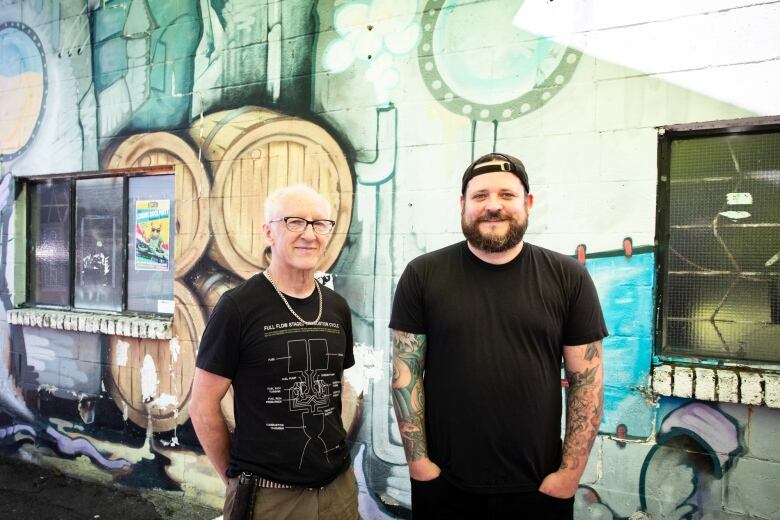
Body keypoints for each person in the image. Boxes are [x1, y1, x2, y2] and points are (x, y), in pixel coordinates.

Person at [389, 153, 607, 519]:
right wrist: (420, 466)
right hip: (444, 486)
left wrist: (568, 476)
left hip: (539, 487)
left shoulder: (569, 277)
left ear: (528, 203)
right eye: (479, 196)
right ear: (463, 205)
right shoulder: (422, 275)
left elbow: (587, 383)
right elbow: (405, 375)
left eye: (506, 195)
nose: (493, 206)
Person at [190, 184, 360, 520]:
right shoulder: (238, 307)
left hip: (339, 488)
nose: (309, 234)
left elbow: (334, 390)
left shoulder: (337, 308)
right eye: (295, 222)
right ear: (268, 231)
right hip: (270, 496)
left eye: (319, 223)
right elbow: (202, 405)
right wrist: (236, 479)